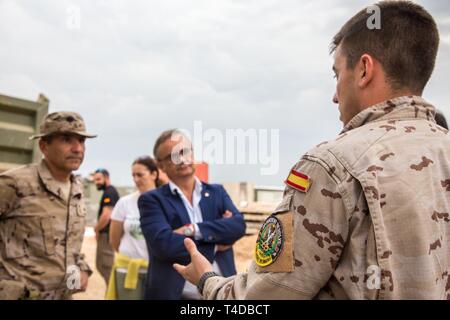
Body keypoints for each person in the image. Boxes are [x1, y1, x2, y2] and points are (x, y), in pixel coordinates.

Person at [174, 1, 450, 300]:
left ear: (364, 70)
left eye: (336, 74)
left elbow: (264, 299)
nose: (334, 96)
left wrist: (207, 280)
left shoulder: (331, 166)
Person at [138, 130, 246, 300]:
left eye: (185, 151)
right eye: (172, 156)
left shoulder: (217, 192)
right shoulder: (151, 200)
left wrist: (193, 229)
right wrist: (215, 244)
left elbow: (238, 226)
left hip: (221, 292)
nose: (182, 159)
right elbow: (163, 244)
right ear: (160, 165)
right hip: (173, 294)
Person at [0, 112, 96, 299]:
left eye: (82, 141)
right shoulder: (15, 183)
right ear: (44, 146)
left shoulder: (76, 187)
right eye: (67, 140)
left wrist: (82, 267)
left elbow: (68, 242)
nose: (78, 148)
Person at [106, 156, 160, 300]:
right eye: (133, 175)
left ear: (154, 174)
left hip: (157, 272)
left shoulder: (165, 202)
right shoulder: (124, 203)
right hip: (127, 269)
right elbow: (114, 239)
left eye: (140, 175)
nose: (136, 179)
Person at [93, 168, 119, 285]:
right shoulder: (108, 192)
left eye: (98, 179)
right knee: (101, 265)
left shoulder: (109, 192)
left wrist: (96, 228)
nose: (96, 182)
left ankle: (113, 294)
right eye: (95, 180)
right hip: (105, 234)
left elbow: (107, 214)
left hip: (106, 235)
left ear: (106, 178)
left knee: (106, 266)